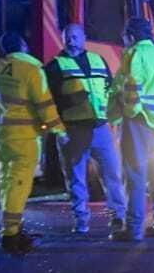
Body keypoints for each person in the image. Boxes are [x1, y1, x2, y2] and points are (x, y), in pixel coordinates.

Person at [0, 19, 66, 255]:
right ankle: (11, 235)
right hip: (24, 138)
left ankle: (13, 229)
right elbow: (44, 103)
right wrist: (59, 129)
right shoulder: (32, 70)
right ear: (23, 46)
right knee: (19, 186)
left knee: (8, 184)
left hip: (2, 137)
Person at [44, 22, 127, 234]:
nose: (71, 41)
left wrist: (114, 119)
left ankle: (118, 216)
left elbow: (110, 89)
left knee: (113, 174)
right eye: (67, 37)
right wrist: (59, 129)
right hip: (73, 130)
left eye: (75, 37)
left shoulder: (98, 60)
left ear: (83, 38)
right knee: (76, 179)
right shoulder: (55, 66)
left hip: (100, 127)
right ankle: (81, 220)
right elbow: (47, 102)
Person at [109, 16, 154, 243]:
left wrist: (127, 112)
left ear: (130, 36)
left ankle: (134, 228)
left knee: (135, 174)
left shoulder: (135, 53)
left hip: (141, 119)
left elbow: (130, 85)